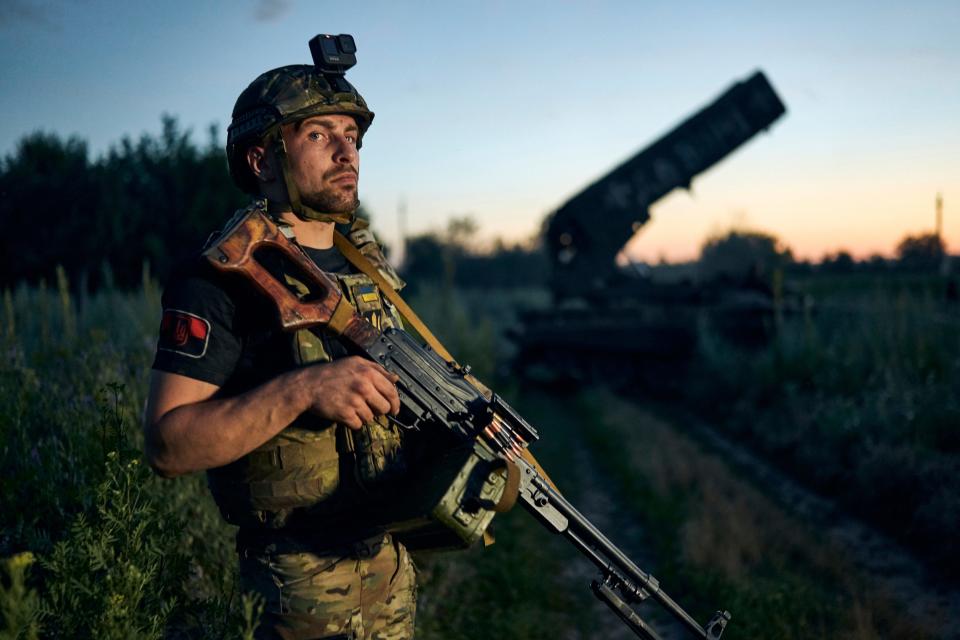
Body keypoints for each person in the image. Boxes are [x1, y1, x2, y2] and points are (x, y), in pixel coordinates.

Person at [143, 62, 417, 640]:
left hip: (391, 574)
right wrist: (305, 388)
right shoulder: (223, 277)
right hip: (294, 588)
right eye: (319, 135)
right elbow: (169, 444)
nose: (347, 153)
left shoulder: (369, 266)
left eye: (353, 135)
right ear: (261, 159)